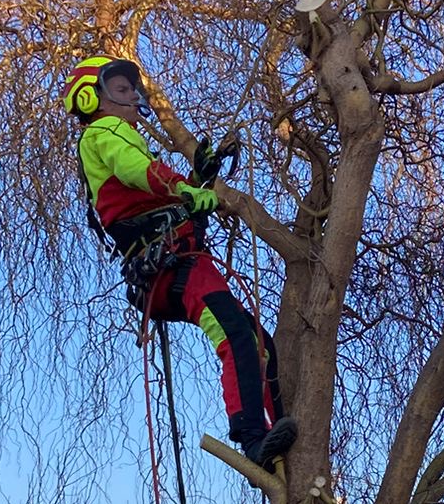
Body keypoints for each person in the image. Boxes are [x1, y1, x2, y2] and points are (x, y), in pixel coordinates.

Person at [65, 54, 296, 469]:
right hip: (170, 264)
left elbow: (159, 191)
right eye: (121, 89)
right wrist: (185, 188)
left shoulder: (120, 138)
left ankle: (280, 432)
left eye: (132, 89)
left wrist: (198, 181)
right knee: (237, 335)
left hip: (177, 261)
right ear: (90, 99)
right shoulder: (104, 132)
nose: (133, 96)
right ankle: (254, 438)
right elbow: (138, 171)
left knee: (259, 341)